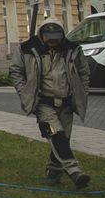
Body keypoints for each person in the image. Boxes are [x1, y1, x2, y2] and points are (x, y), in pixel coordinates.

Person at [10, 21, 91, 189]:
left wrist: (83, 92)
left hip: (67, 101)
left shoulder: (72, 49)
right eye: (49, 39)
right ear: (41, 36)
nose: (53, 42)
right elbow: (15, 71)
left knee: (63, 139)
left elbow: (83, 72)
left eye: (56, 39)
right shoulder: (27, 49)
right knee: (56, 134)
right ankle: (75, 171)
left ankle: (53, 172)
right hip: (43, 102)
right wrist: (24, 91)